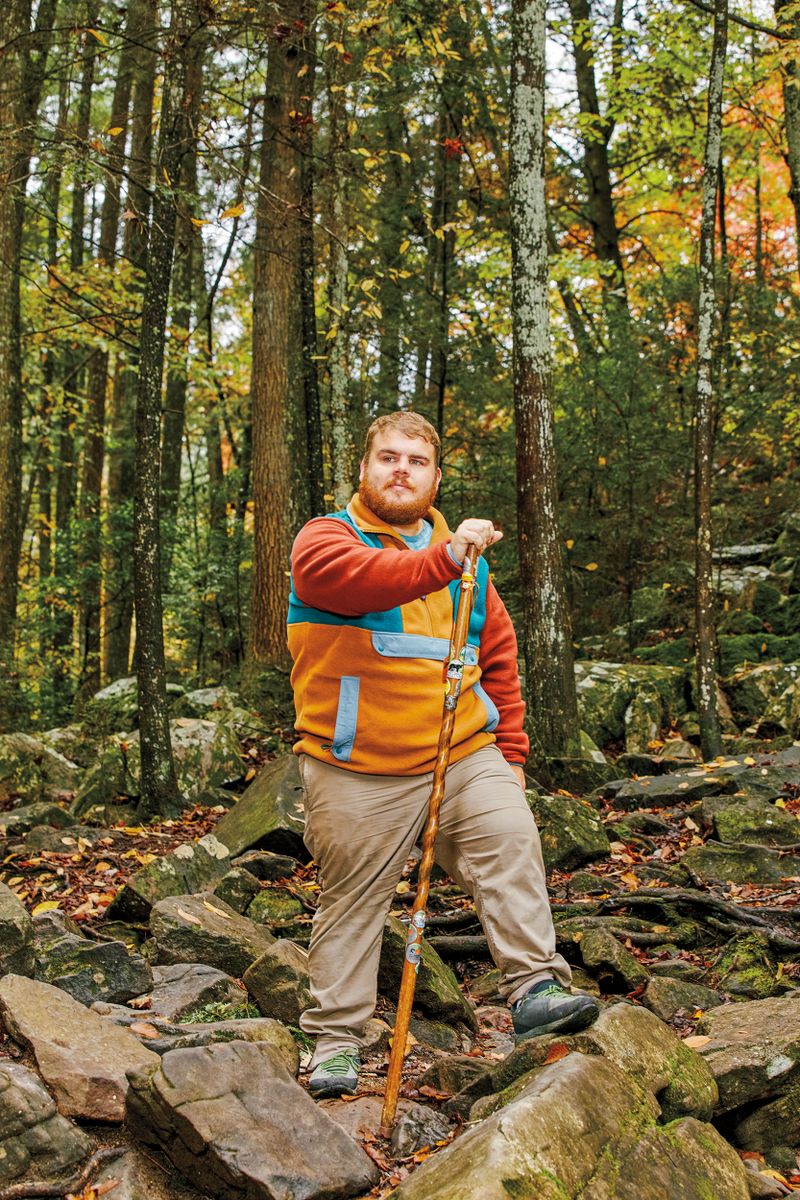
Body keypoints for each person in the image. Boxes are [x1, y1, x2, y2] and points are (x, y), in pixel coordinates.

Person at [287, 411, 598, 1099]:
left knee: (510, 836)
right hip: (354, 765)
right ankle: (335, 1042)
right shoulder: (326, 540)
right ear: (363, 469)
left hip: (459, 753)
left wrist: (510, 753)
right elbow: (363, 582)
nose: (401, 470)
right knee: (350, 904)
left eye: (416, 461)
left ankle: (534, 989)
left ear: (434, 477)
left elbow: (498, 658)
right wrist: (451, 556)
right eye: (388, 458)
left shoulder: (467, 571)